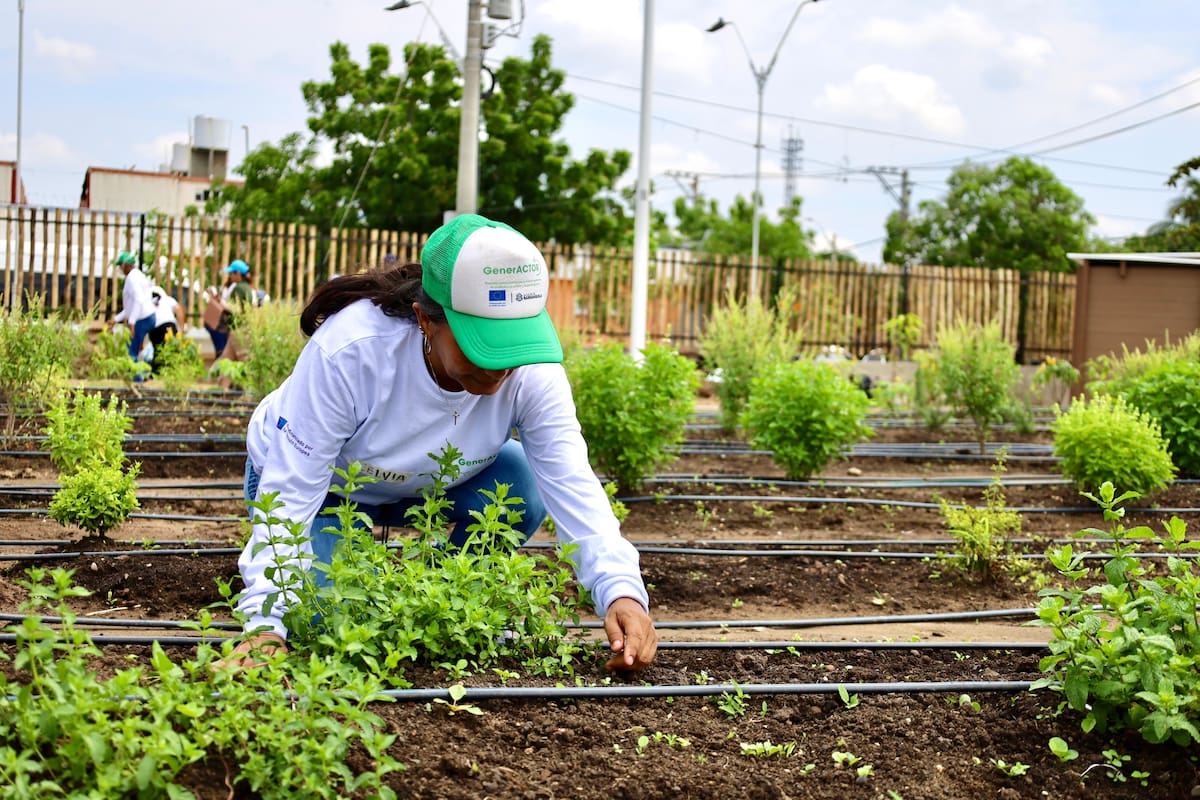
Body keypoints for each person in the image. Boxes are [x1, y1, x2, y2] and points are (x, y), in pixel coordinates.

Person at [228, 214, 657, 672]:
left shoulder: (534, 372)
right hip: (328, 492)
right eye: (482, 345)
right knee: (335, 620)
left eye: (513, 344)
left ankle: (438, 595)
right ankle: (360, 581)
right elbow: (290, 492)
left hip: (429, 485)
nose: (500, 368)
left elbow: (572, 482)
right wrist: (265, 625)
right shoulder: (353, 350)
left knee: (520, 485)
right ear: (425, 320)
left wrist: (622, 590)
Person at [108, 251, 156, 368]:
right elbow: (131, 305)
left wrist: (132, 322)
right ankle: (138, 376)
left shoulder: (132, 278)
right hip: (148, 316)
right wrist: (116, 319)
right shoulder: (137, 275)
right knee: (134, 349)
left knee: (131, 351)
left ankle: (136, 379)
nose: (120, 269)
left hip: (142, 318)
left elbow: (138, 301)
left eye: (121, 266)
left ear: (127, 265)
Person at [146, 286, 188, 375]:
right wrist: (181, 329)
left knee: (158, 352)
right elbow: (179, 310)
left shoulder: (148, 302)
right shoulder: (168, 300)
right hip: (169, 327)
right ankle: (171, 373)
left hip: (154, 329)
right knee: (171, 352)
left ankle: (156, 374)